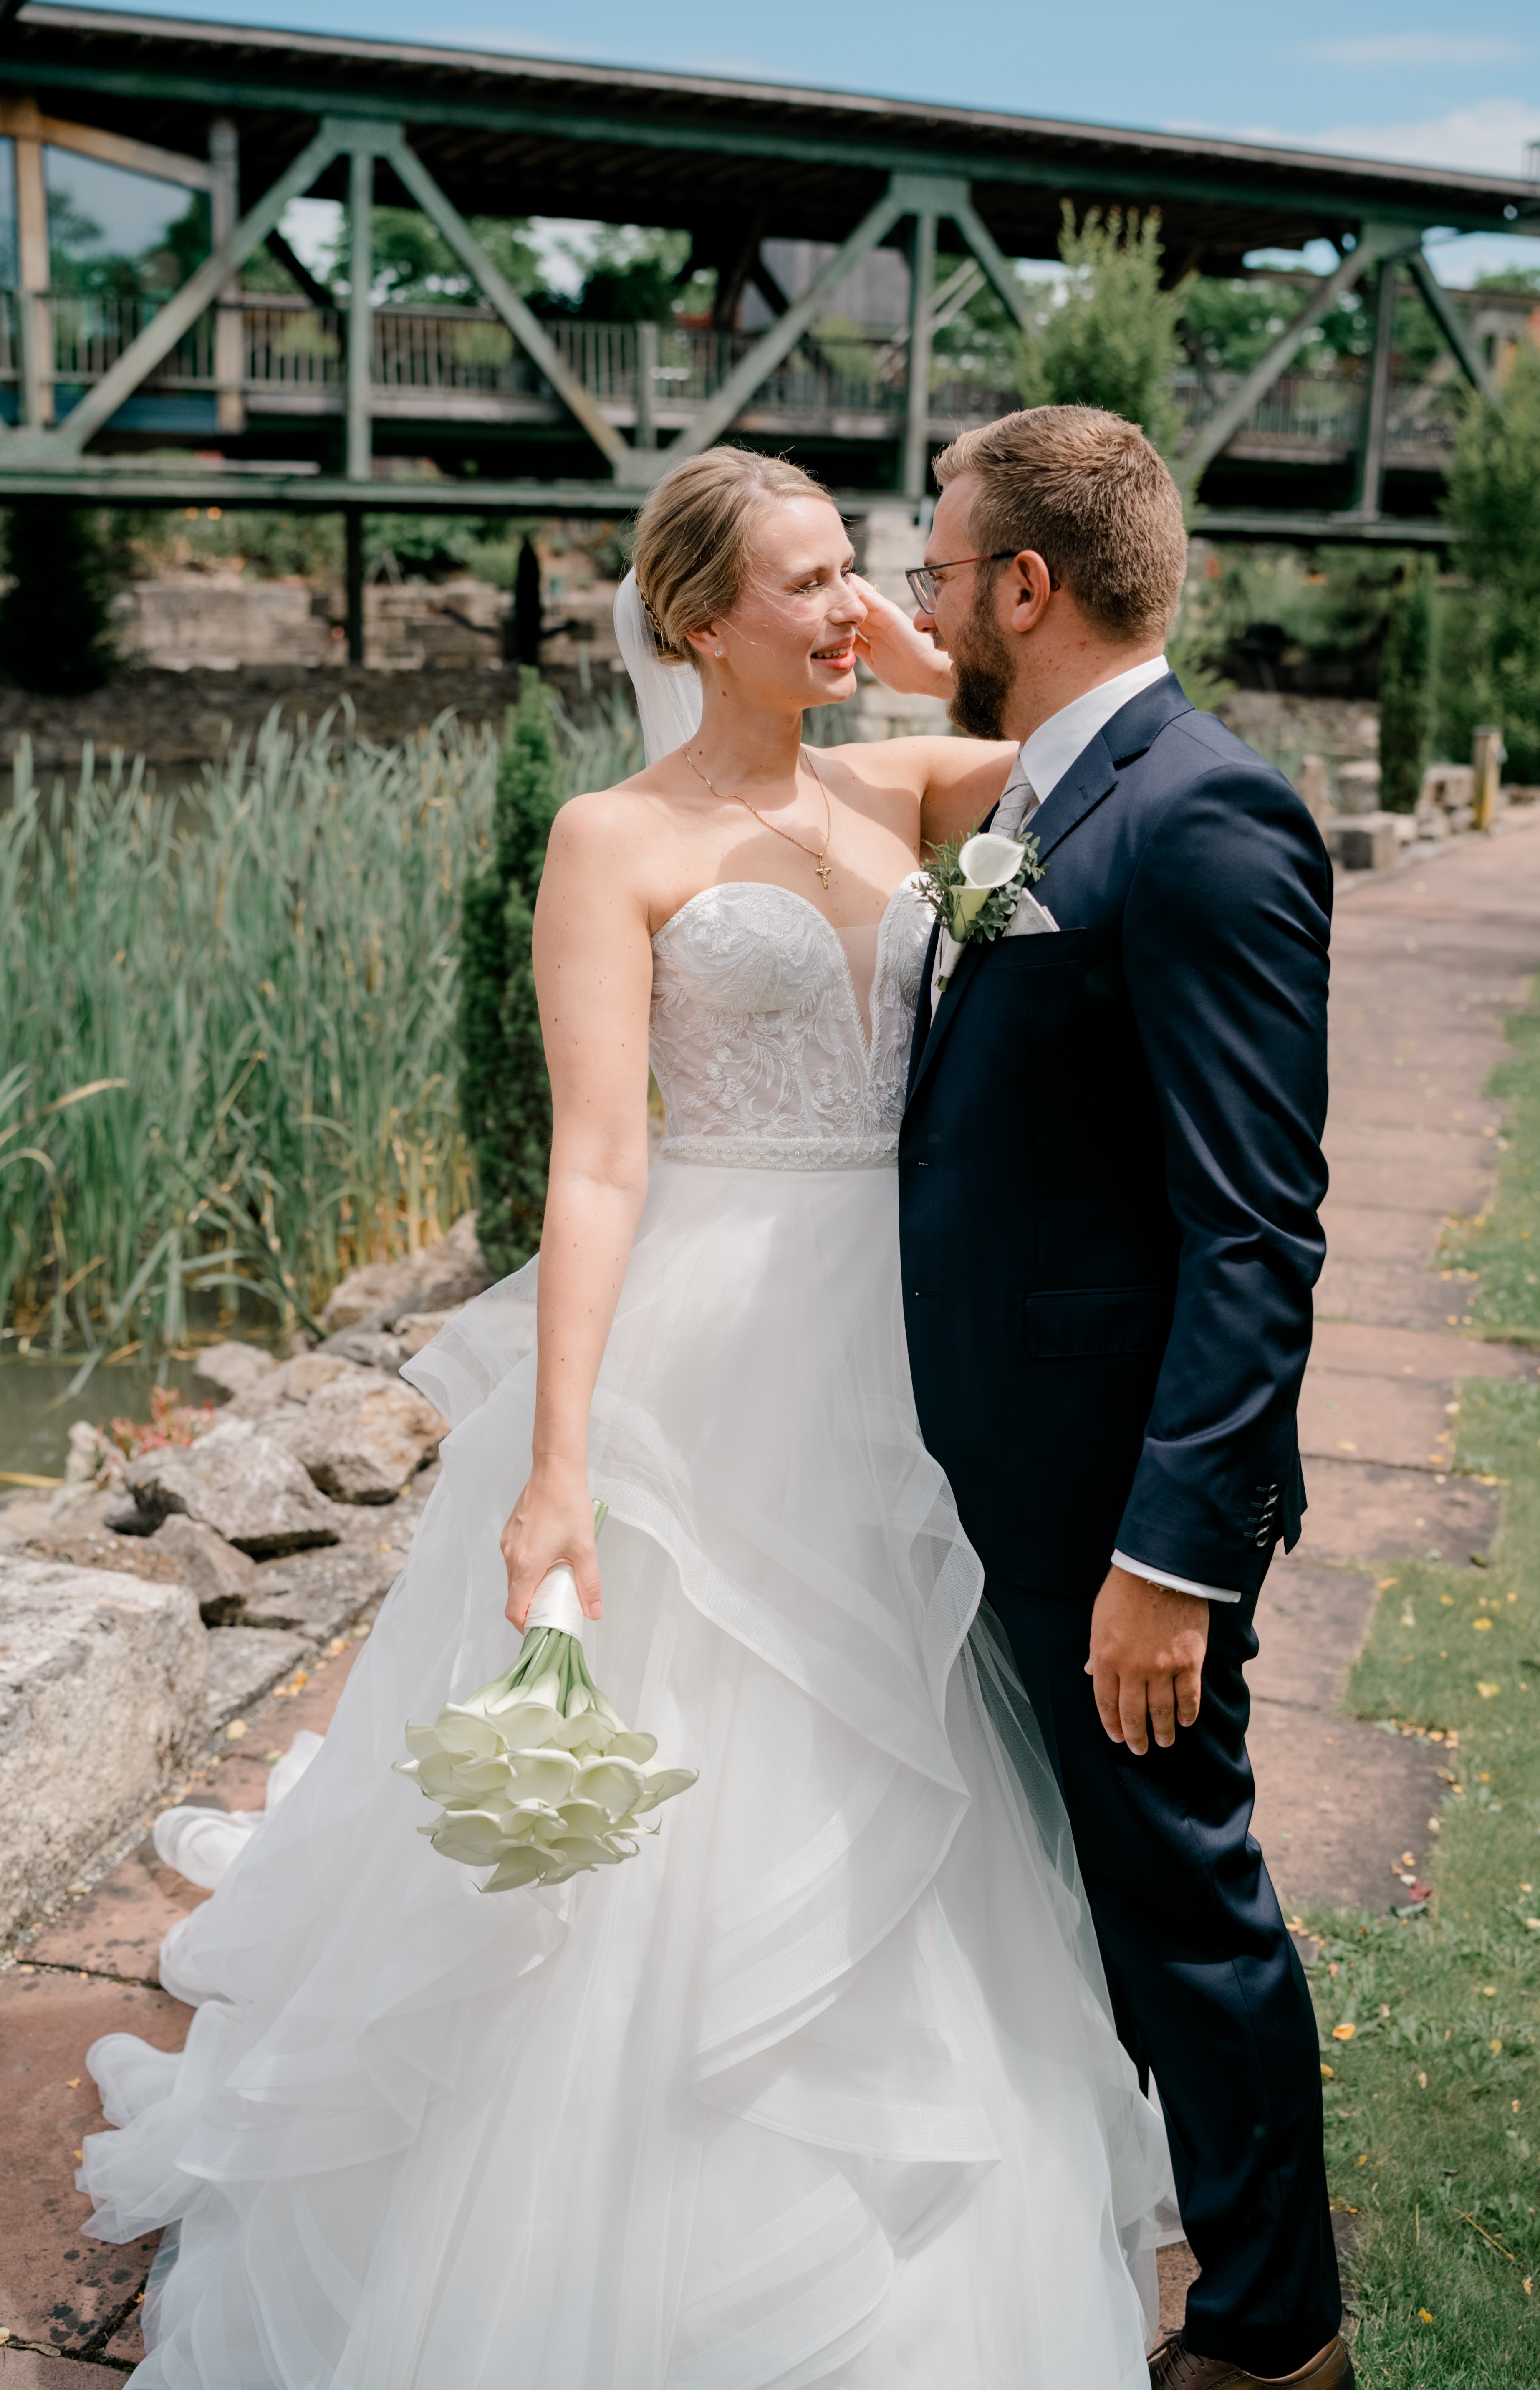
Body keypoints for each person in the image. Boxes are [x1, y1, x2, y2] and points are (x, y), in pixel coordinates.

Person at [79, 446, 1175, 2389]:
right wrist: (557, 1469)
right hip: (711, 1346)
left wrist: (920, 657)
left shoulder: (916, 785)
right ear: (692, 621)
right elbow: (596, 1169)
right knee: (687, 1761)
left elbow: (1090, 744)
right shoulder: (612, 840)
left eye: (861, 567)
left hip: (906, 1347)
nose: (850, 605)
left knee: (898, 1735)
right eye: (807, 582)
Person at [857, 405, 1343, 2390]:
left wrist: (1175, 1556)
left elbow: (1256, 1233)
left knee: (1182, 1903)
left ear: (1027, 590)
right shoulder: (1062, 787)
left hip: (1103, 1506)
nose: (921, 596)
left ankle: (1271, 2336)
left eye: (942, 568)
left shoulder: (1202, 814)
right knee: (1094, 1895)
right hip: (994, 1477)